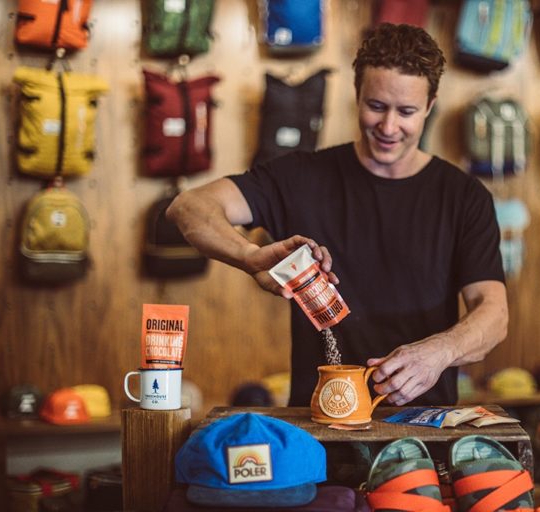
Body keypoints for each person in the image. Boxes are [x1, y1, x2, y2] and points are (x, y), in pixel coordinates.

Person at [167, 23, 508, 407]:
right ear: (357, 95)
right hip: (319, 422)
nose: (388, 126)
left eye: (406, 111)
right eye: (376, 106)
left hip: (421, 424)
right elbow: (189, 207)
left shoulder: (463, 196)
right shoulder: (300, 176)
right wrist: (249, 256)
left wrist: (441, 352)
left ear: (429, 106)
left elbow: (494, 313)